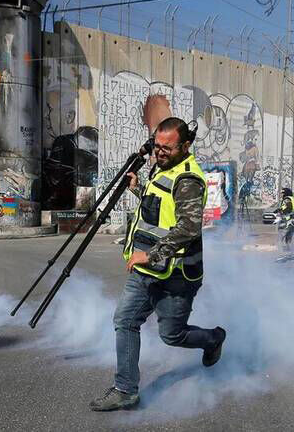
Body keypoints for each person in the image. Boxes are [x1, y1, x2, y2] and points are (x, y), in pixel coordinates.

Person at [90, 117, 226, 412]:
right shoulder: (161, 168)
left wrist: (149, 255)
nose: (159, 152)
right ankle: (125, 390)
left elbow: (188, 228)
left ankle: (213, 339)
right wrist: (138, 189)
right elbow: (160, 209)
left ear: (186, 145)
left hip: (175, 275)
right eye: (157, 145)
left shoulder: (188, 179)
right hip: (145, 271)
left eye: (167, 147)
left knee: (172, 335)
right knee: (125, 321)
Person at [276, 187, 294, 255]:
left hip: (288, 222)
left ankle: (281, 255)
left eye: (282, 193)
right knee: (288, 240)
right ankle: (293, 255)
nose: (281, 194)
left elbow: (288, 209)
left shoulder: (286, 199)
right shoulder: (292, 199)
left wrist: (280, 212)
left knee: (280, 238)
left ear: (285, 193)